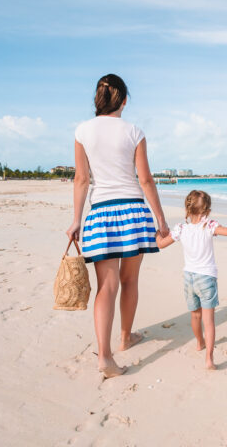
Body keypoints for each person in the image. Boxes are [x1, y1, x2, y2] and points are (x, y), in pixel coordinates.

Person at [66, 74, 169, 378]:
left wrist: (76, 220)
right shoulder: (134, 132)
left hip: (101, 213)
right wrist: (161, 219)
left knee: (106, 287)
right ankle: (125, 336)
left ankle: (105, 357)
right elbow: (146, 180)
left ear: (98, 99)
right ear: (123, 100)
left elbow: (82, 179)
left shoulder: (83, 131)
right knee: (130, 280)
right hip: (133, 212)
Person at [155, 190, 227, 370]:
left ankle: (199, 342)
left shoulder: (181, 229)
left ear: (187, 209)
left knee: (195, 314)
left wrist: (156, 233)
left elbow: (161, 244)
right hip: (206, 278)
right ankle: (209, 358)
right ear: (207, 210)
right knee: (208, 321)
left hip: (189, 278)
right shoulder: (209, 226)